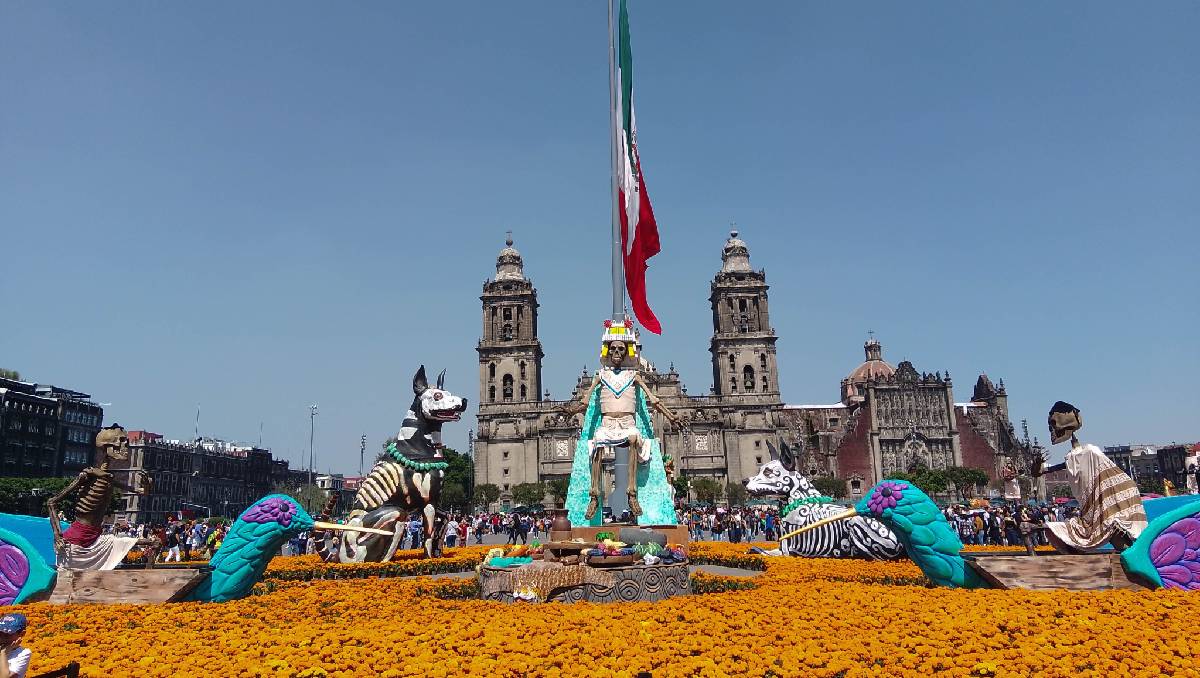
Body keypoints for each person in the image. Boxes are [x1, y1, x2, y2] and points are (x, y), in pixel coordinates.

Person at [1040, 401, 1147, 553]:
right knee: (1114, 536)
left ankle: (1134, 563)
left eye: (1053, 426)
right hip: (1102, 505)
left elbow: (1103, 472)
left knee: (1117, 534)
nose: (1052, 432)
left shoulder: (1090, 451)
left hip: (1113, 502)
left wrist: (1044, 469)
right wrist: (1043, 468)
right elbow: (1066, 465)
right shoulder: (1075, 456)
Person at [0, 613, 31, 678]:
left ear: (22, 634)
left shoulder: (23, 653)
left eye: (7, 635)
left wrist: (3, 653)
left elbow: (4, 676)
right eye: (0, 633)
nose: (2, 638)